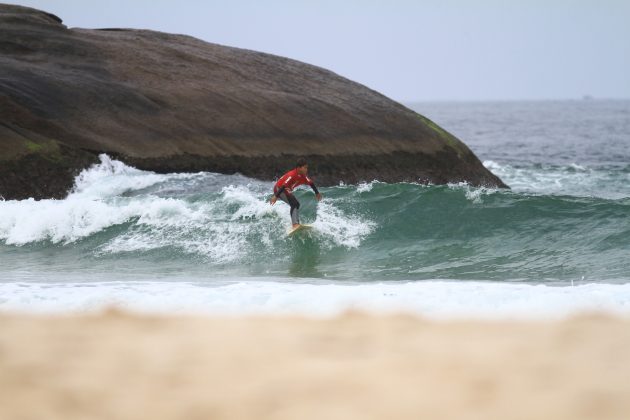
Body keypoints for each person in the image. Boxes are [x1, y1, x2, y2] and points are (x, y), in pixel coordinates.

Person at [270, 158, 322, 228]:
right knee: (294, 204)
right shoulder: (292, 175)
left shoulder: (303, 176)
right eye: (305, 168)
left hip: (286, 189)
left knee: (296, 204)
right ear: (299, 168)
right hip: (279, 189)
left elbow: (311, 183)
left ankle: (296, 223)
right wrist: (276, 196)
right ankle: (295, 224)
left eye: (307, 168)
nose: (306, 170)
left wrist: (317, 193)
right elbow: (283, 185)